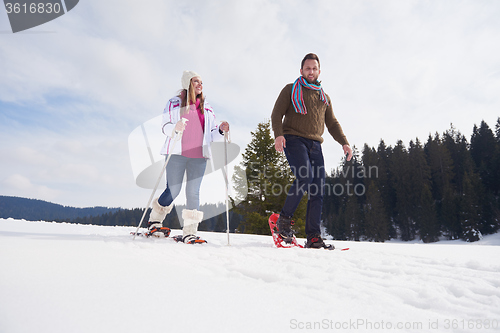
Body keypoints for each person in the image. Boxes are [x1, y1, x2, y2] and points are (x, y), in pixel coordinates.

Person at [271, 53, 352, 249]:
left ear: (319, 71)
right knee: (304, 177)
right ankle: (283, 221)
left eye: (314, 68)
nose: (311, 72)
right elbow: (276, 114)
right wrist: (279, 135)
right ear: (301, 71)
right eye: (307, 68)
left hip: (315, 145)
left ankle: (314, 236)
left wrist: (344, 142)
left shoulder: (324, 97)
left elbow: (332, 123)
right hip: (294, 139)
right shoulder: (291, 90)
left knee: (317, 189)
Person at [147, 70, 229, 244]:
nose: (200, 85)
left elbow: (212, 133)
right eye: (196, 81)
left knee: (193, 192)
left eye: (201, 82)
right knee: (173, 190)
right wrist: (174, 127)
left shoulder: (207, 106)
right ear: (187, 83)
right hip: (177, 153)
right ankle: (154, 221)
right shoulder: (175, 103)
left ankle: (190, 232)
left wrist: (220, 129)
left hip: (199, 156)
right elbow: (165, 125)